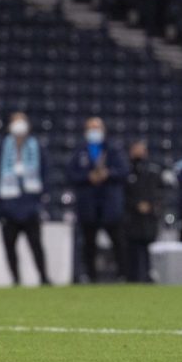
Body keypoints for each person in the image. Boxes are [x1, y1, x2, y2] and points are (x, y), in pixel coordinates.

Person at [68, 117, 129, 282]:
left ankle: (123, 275)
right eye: (91, 128)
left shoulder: (113, 149)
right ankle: (90, 276)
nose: (94, 131)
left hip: (109, 203)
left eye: (97, 128)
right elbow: (71, 174)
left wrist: (108, 174)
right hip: (88, 204)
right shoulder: (80, 151)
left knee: (118, 241)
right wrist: (88, 177)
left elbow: (124, 171)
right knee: (89, 242)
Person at [0, 113, 50, 285]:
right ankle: (16, 279)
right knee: (10, 246)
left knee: (36, 245)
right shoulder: (2, 149)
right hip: (8, 206)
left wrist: (40, 197)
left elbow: (46, 173)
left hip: (30, 205)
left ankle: (43, 277)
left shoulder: (37, 147)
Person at [123, 141, 163, 283]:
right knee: (132, 249)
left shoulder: (153, 172)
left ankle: (148, 276)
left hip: (149, 218)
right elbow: (123, 194)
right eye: (136, 150)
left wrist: (151, 205)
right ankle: (131, 277)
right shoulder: (126, 171)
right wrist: (135, 205)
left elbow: (160, 192)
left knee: (148, 249)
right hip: (131, 218)